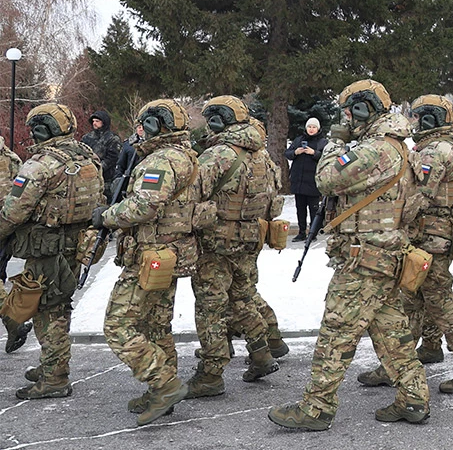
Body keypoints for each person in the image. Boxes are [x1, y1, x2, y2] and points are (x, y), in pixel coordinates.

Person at [268, 79, 428, 431]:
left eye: (349, 110)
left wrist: (337, 140)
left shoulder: (374, 149)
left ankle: (316, 408)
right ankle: (414, 398)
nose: (345, 117)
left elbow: (325, 179)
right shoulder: (401, 148)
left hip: (364, 261)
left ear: (363, 108)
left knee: (336, 331)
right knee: (390, 330)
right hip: (384, 256)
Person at [356, 95, 453, 394]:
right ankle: (398, 365)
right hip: (439, 233)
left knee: (438, 301)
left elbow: (419, 196)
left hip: (429, 235)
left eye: (419, 117)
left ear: (431, 119)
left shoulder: (434, 151)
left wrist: (390, 220)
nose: (415, 122)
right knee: (412, 300)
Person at [97, 99, 200, 426]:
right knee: (156, 325)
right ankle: (162, 394)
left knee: (117, 326)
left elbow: (144, 206)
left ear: (159, 125)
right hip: (168, 254)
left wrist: (107, 216)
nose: (140, 130)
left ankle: (164, 384)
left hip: (150, 254)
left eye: (145, 124)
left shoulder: (162, 161)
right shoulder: (185, 156)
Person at [0, 104, 104, 398]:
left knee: (47, 311)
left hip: (46, 248)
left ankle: (55, 378)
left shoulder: (40, 165)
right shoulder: (88, 156)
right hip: (76, 244)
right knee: (60, 306)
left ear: (41, 129)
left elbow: (13, 211)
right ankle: (51, 366)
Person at [185, 96, 283, 399]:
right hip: (249, 238)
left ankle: (211, 375)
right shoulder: (261, 154)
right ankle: (260, 353)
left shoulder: (217, 155)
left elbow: (192, 194)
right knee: (241, 297)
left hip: (216, 242)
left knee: (211, 307)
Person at [0, 134, 32, 354]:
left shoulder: (11, 159)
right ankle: (13, 325)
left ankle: (13, 322)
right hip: (7, 224)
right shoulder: (12, 158)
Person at [285, 117, 326, 241]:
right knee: (300, 209)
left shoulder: (322, 142)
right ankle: (301, 232)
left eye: (314, 127)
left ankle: (313, 233)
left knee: (314, 209)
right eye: (309, 127)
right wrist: (295, 152)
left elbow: (326, 157)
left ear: (318, 128)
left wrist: (314, 153)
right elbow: (287, 153)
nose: (311, 129)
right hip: (299, 181)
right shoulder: (299, 140)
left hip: (313, 182)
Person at [82, 109, 122, 193]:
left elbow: (112, 158)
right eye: (93, 121)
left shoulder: (113, 139)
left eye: (97, 121)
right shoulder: (86, 137)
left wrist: (97, 168)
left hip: (106, 179)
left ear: (104, 122)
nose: (94, 123)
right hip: (87, 178)